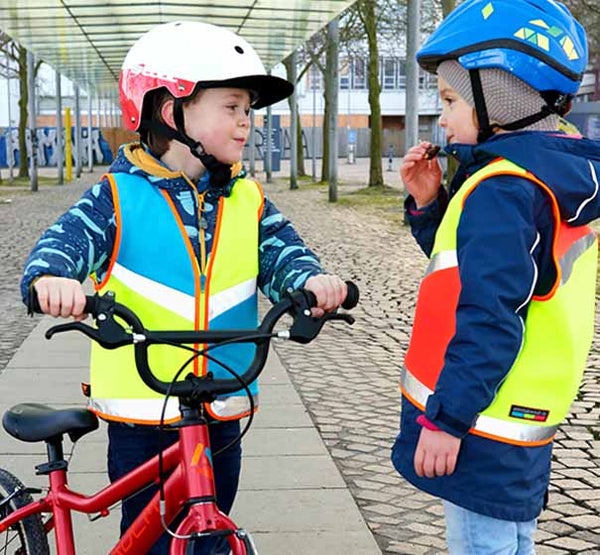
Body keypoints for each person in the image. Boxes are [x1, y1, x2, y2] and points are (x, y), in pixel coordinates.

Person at [21, 21, 348, 553]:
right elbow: (63, 244)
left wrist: (312, 281)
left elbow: (284, 253)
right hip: (146, 411)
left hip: (223, 398)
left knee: (211, 528)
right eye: (232, 107)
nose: (246, 122)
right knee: (149, 539)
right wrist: (52, 280)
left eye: (249, 110)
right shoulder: (115, 197)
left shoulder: (247, 197)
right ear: (173, 113)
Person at [392, 1, 600, 552]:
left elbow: (490, 313)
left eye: (451, 99)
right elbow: (472, 270)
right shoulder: (551, 175)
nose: (442, 117)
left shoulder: (503, 188)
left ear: (501, 94)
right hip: (524, 412)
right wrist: (430, 204)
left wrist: (447, 420)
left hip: (480, 414)